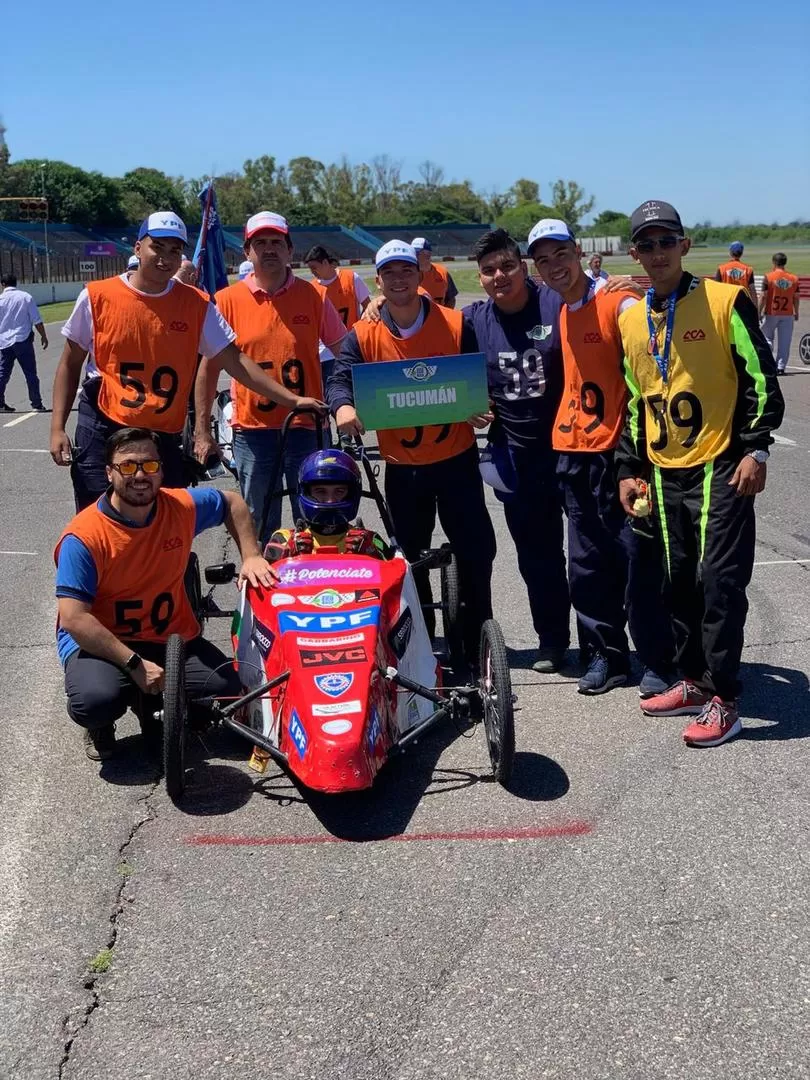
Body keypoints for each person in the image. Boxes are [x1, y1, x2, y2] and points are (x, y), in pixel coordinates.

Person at [617, 199, 784, 747]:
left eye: (667, 241)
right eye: (647, 243)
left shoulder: (723, 300)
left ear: (685, 246)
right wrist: (630, 468)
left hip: (721, 465)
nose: (657, 252)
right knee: (678, 583)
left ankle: (725, 696)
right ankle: (691, 680)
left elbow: (762, 379)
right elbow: (638, 399)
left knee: (719, 585)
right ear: (634, 252)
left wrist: (756, 449)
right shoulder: (632, 318)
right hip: (665, 473)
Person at [50, 212, 313, 512]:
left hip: (162, 431)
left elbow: (236, 361)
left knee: (163, 523)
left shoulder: (196, 303)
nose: (165, 258)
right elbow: (70, 365)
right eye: (157, 247)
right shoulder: (97, 296)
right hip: (105, 423)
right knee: (97, 519)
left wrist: (291, 399)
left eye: (174, 250)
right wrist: (57, 427)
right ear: (138, 248)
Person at [54, 427, 276, 762]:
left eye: (149, 465)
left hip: (169, 637)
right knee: (95, 701)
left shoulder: (180, 506)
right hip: (105, 644)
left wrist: (252, 555)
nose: (140, 475)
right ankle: (102, 725)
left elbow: (232, 502)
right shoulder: (84, 536)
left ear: (161, 469)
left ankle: (154, 703)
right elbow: (73, 618)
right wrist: (134, 664)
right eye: (128, 466)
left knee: (228, 691)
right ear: (109, 473)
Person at [327, 239, 496, 668]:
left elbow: (479, 374)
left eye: (407, 270)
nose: (399, 279)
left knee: (474, 550)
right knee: (407, 558)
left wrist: (482, 402)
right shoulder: (362, 334)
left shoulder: (456, 323)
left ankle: (478, 645)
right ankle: (419, 644)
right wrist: (342, 405)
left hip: (456, 459)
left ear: (420, 276)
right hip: (403, 468)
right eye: (390, 273)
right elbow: (339, 379)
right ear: (378, 281)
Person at [528, 218, 674, 696]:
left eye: (560, 254)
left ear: (577, 252)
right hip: (573, 450)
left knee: (637, 560)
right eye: (543, 260)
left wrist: (636, 458)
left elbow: (656, 366)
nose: (554, 266)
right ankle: (606, 657)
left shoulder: (619, 301)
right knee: (586, 564)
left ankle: (657, 658)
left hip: (620, 453)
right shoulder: (559, 305)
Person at [194, 211, 343, 546]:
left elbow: (346, 352)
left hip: (308, 426)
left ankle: (315, 588)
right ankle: (264, 591)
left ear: (290, 250)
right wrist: (202, 431)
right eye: (260, 243)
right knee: (258, 522)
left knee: (317, 518)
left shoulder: (315, 296)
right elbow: (208, 369)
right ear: (247, 251)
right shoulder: (228, 300)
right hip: (253, 431)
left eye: (277, 242)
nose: (269, 249)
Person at [463, 228, 571, 672]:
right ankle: (553, 641)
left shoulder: (556, 303)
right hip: (517, 457)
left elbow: (598, 302)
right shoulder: (472, 320)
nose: (499, 275)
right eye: (488, 270)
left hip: (574, 450)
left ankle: (609, 645)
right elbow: (431, 340)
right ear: (481, 277)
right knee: (538, 556)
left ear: (523, 267)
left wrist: (617, 285)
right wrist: (469, 401)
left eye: (507, 265)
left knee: (594, 556)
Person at [265, 449, 392, 560]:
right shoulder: (283, 539)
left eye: (339, 491)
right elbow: (261, 581)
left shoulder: (370, 540)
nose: (330, 500)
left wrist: (371, 554)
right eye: (321, 491)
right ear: (306, 492)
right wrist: (288, 557)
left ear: (352, 493)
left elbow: (398, 574)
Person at [0, 273, 48, 413]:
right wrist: (43, 336)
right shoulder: (25, 297)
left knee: (3, 373)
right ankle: (36, 404)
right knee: (30, 373)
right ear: (16, 283)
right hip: (22, 340)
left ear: (3, 284)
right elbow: (36, 319)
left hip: (4, 341)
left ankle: (0, 403)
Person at [305, 245, 371, 329]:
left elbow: (368, 306)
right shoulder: (312, 288)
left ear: (325, 262)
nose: (312, 272)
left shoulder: (351, 278)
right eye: (310, 269)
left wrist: (361, 326)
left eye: (314, 268)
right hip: (325, 342)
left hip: (352, 338)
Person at [759, 252, 800, 375]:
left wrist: (759, 311)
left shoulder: (768, 277)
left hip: (771, 312)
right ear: (785, 263)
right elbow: (796, 297)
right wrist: (796, 311)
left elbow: (763, 296)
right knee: (785, 342)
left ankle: (768, 352)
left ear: (774, 262)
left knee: (766, 337)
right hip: (787, 313)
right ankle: (781, 367)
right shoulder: (794, 278)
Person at [412, 237, 458, 308]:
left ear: (428, 255)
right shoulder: (408, 274)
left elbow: (451, 299)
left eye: (417, 253)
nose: (413, 256)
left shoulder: (442, 272)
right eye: (412, 253)